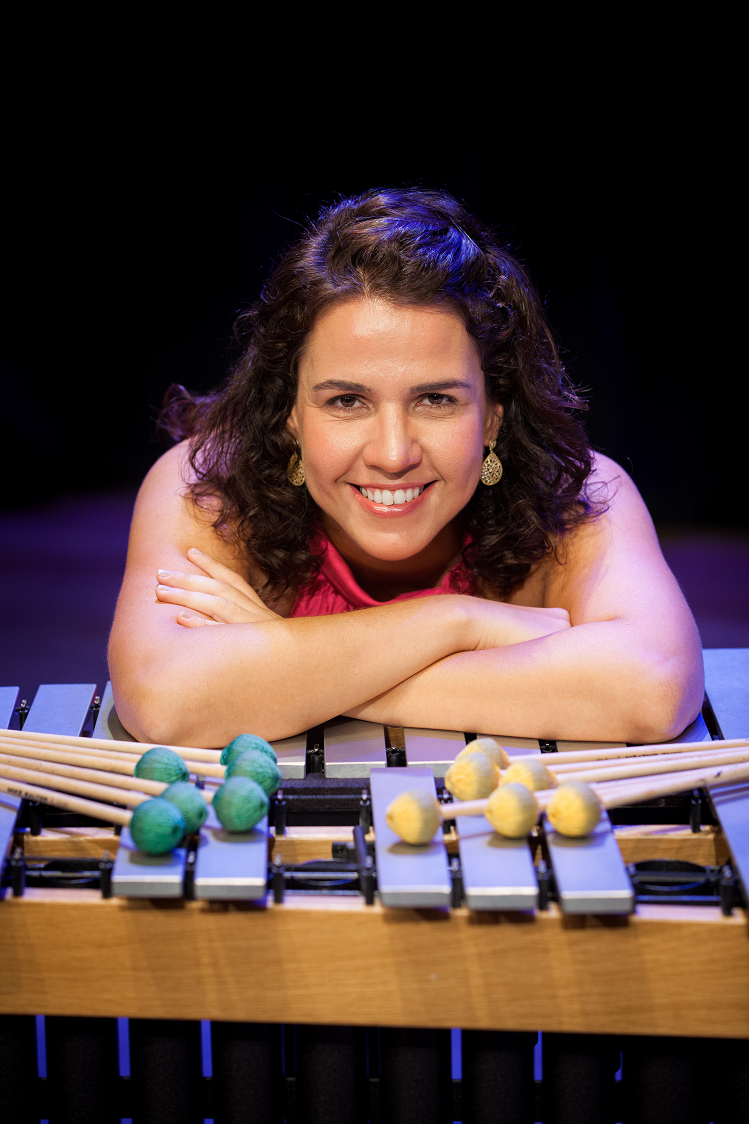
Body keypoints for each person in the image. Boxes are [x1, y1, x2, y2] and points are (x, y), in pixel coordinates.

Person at [108, 188, 703, 748]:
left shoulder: (575, 494)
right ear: (290, 415)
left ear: (492, 417)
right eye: (347, 401)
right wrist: (457, 621)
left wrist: (282, 667)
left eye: (436, 400)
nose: (393, 455)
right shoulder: (208, 487)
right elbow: (163, 698)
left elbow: (653, 687)